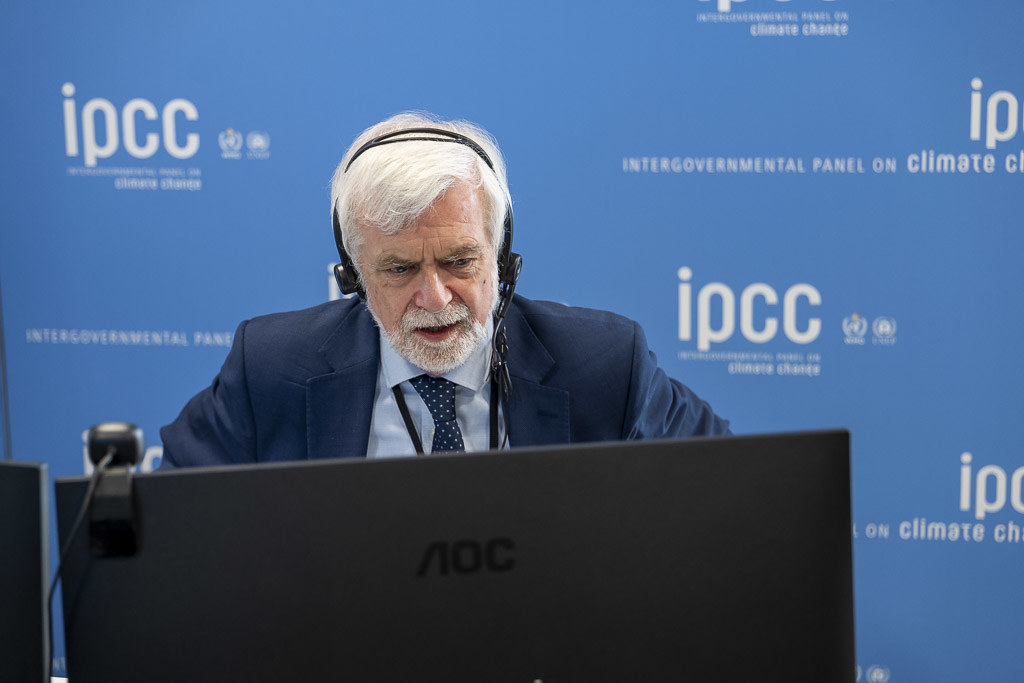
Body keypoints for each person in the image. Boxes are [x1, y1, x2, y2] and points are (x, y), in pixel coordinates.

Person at [160, 112, 729, 467]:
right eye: (399, 269)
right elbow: (175, 528)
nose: (435, 299)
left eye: (459, 261)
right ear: (353, 275)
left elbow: (728, 489)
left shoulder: (607, 366)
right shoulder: (269, 370)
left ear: (500, 257)